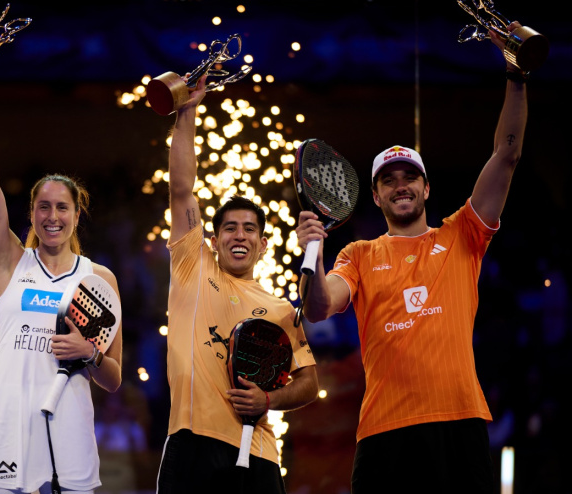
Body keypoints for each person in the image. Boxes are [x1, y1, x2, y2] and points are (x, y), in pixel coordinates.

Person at [294, 22, 529, 494]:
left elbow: (506, 155)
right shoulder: (358, 254)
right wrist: (312, 255)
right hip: (386, 430)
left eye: (409, 176)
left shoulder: (464, 234)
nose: (400, 184)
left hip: (459, 422)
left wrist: (517, 74)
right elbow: (318, 307)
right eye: (389, 180)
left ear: (426, 187)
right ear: (377, 197)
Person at [0, 54, 123, 494]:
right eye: (43, 207)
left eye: (62, 207)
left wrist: (88, 353)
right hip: (4, 427)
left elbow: (113, 379)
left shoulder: (99, 279)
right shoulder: (10, 262)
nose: (52, 216)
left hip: (66, 437)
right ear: (31, 214)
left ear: (76, 213)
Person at [156, 75, 319, 494]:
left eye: (249, 229)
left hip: (259, 455)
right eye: (229, 228)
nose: (239, 235)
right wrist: (187, 111)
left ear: (264, 245)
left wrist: (268, 402)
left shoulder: (282, 309)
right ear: (212, 239)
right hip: (191, 445)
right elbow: (180, 189)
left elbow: (309, 383)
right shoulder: (195, 265)